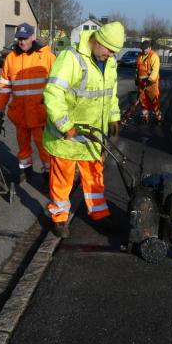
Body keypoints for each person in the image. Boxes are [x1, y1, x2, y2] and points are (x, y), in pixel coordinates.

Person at [43, 21, 125, 238]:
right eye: (108, 50)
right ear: (97, 41)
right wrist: (65, 125)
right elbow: (53, 93)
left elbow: (110, 94)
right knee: (63, 180)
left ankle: (98, 214)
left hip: (93, 136)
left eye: (114, 52)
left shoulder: (109, 63)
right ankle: (59, 219)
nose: (111, 55)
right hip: (67, 137)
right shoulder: (70, 58)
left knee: (94, 177)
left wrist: (114, 116)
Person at [0, 23, 56, 183]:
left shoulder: (47, 57)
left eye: (25, 38)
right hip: (20, 113)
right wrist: (0, 107)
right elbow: (5, 86)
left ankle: (48, 175)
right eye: (19, 39)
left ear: (33, 37)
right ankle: (25, 171)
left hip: (40, 114)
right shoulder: (11, 58)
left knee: (44, 148)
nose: (22, 42)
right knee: (23, 146)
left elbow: (57, 86)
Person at [135, 40, 162, 123]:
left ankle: (158, 117)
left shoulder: (154, 56)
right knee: (143, 101)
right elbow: (137, 70)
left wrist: (150, 80)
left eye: (145, 49)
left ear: (150, 48)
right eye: (142, 49)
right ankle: (145, 117)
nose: (143, 50)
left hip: (152, 84)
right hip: (141, 83)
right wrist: (136, 79)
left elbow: (155, 70)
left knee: (154, 101)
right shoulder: (140, 56)